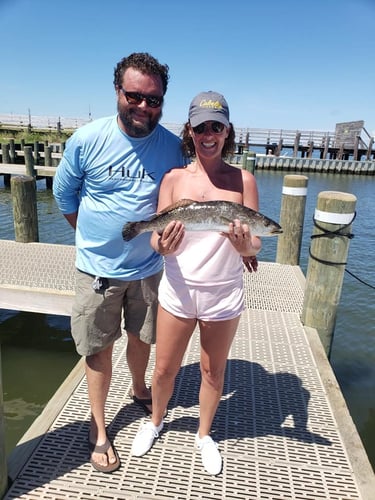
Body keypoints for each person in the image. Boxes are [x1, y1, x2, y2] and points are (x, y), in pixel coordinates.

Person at [53, 52, 186, 473]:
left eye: (154, 100)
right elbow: (64, 195)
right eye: (135, 96)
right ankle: (99, 426)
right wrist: (91, 239)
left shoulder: (172, 147)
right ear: (118, 92)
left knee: (142, 338)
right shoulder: (86, 139)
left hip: (148, 270)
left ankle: (138, 387)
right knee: (97, 348)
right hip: (97, 272)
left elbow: (179, 205)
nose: (144, 107)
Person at [130, 91, 261, 475]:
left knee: (212, 372)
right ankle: (155, 422)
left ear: (227, 132)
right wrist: (162, 245)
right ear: (189, 130)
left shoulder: (244, 180)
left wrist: (245, 247)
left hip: (224, 295)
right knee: (164, 370)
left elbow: (255, 241)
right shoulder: (172, 179)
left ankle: (204, 434)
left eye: (216, 126)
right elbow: (156, 236)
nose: (208, 134)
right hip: (178, 292)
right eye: (201, 126)